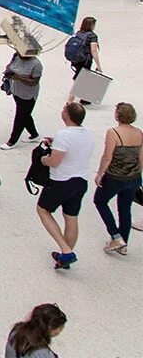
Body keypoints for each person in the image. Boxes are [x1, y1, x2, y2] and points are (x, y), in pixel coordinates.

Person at [37, 102, 95, 269]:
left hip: (61, 182)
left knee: (43, 210)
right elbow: (75, 146)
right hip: (80, 181)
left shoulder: (64, 135)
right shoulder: (88, 133)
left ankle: (66, 250)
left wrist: (44, 160)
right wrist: (56, 143)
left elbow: (54, 162)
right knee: (71, 218)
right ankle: (65, 256)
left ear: (66, 116)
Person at [93, 102, 142, 256]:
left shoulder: (113, 132)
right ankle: (123, 244)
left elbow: (107, 157)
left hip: (115, 177)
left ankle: (115, 236)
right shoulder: (139, 133)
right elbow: (141, 158)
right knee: (125, 209)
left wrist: (100, 174)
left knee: (100, 201)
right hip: (134, 177)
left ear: (117, 115)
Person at [0, 48, 43, 150]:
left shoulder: (36, 64)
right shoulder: (16, 56)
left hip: (28, 95)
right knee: (25, 115)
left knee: (20, 117)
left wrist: (18, 77)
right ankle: (34, 135)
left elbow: (34, 82)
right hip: (16, 91)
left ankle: (12, 141)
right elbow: (10, 66)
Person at [65, 16, 102, 104]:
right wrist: (98, 65)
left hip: (76, 60)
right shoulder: (92, 36)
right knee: (79, 80)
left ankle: (85, 98)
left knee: (83, 78)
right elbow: (94, 51)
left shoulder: (79, 33)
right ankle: (70, 101)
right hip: (85, 60)